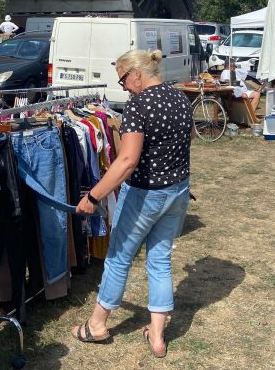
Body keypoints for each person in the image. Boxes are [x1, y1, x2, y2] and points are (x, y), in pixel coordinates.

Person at [71, 49, 193, 358]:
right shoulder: (179, 97)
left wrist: (93, 196)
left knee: (118, 258)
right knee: (160, 260)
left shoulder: (139, 104)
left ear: (137, 74)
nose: (123, 86)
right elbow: (187, 136)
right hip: (177, 189)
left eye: (123, 79)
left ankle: (97, 325)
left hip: (146, 193)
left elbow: (126, 161)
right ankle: (157, 335)